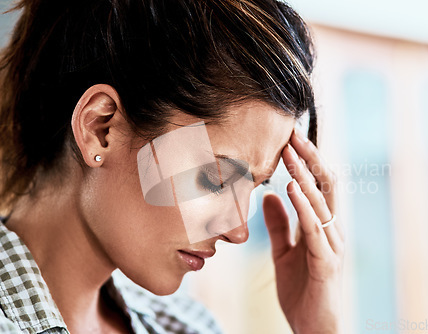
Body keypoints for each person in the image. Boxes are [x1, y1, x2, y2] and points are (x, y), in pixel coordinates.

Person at [0, 0, 345, 333]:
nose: (238, 232)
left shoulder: (188, 326)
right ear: (100, 128)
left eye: (257, 185)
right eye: (218, 177)